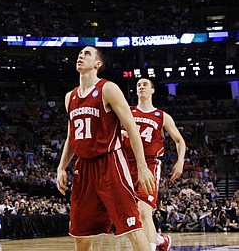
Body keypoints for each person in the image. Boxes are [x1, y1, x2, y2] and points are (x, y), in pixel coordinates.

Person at [56, 46, 156, 251]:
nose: (80, 56)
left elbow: (132, 128)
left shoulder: (108, 89)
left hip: (110, 162)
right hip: (83, 167)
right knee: (80, 235)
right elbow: (70, 137)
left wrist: (142, 166)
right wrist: (61, 167)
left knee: (132, 227)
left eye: (87, 54)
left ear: (98, 64)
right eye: (79, 54)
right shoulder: (69, 97)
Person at [122, 78, 186, 251]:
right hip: (126, 165)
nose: (141, 87)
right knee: (129, 217)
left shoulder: (161, 116)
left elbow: (179, 141)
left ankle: (151, 247)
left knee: (144, 212)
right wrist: (121, 132)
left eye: (145, 85)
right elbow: (112, 132)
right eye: (138, 85)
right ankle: (158, 240)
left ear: (152, 91)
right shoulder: (128, 111)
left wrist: (180, 161)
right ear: (136, 91)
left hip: (149, 165)